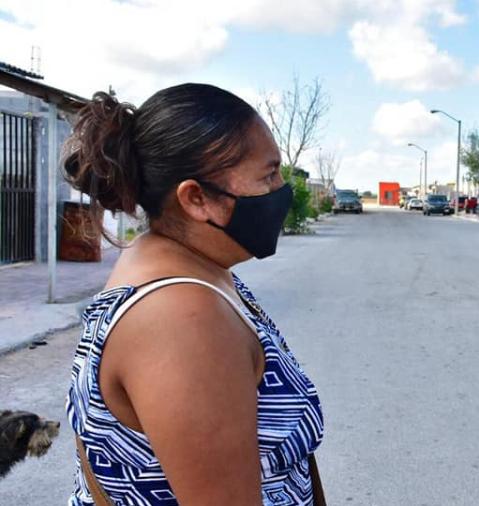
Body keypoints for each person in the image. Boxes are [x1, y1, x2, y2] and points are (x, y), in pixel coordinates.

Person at [63, 84, 324, 505]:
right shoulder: (181, 318)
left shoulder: (185, 268)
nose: (281, 191)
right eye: (269, 175)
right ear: (197, 198)